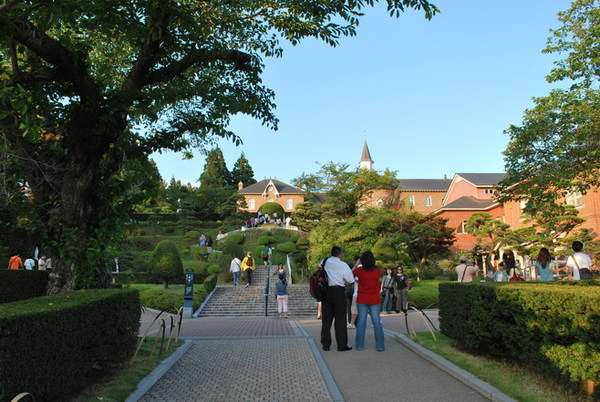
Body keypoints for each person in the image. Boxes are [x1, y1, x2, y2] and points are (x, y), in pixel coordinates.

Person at [320, 246, 355, 352]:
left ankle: (326, 344)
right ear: (339, 254)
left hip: (326, 292)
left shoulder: (324, 261)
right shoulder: (343, 265)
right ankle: (341, 344)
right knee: (340, 319)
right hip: (338, 291)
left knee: (326, 319)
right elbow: (350, 279)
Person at [353, 251, 385, 352]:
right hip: (374, 299)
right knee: (377, 322)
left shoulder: (359, 270)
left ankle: (359, 345)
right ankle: (380, 346)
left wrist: (356, 264)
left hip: (362, 298)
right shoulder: (378, 270)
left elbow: (349, 273)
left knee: (361, 322)